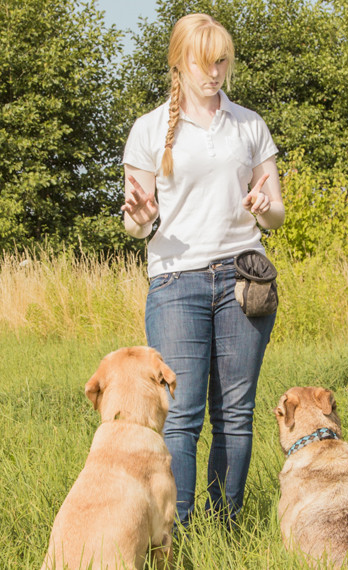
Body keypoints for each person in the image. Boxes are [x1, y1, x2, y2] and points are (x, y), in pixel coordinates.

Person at [120, 13, 284, 528]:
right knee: (181, 416)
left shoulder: (249, 124)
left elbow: (276, 213)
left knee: (235, 414)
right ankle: (180, 531)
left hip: (242, 278)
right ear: (178, 61)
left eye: (222, 61)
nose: (214, 72)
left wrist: (262, 205)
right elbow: (134, 223)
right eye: (202, 61)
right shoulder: (148, 129)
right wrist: (142, 219)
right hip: (175, 281)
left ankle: (226, 529)